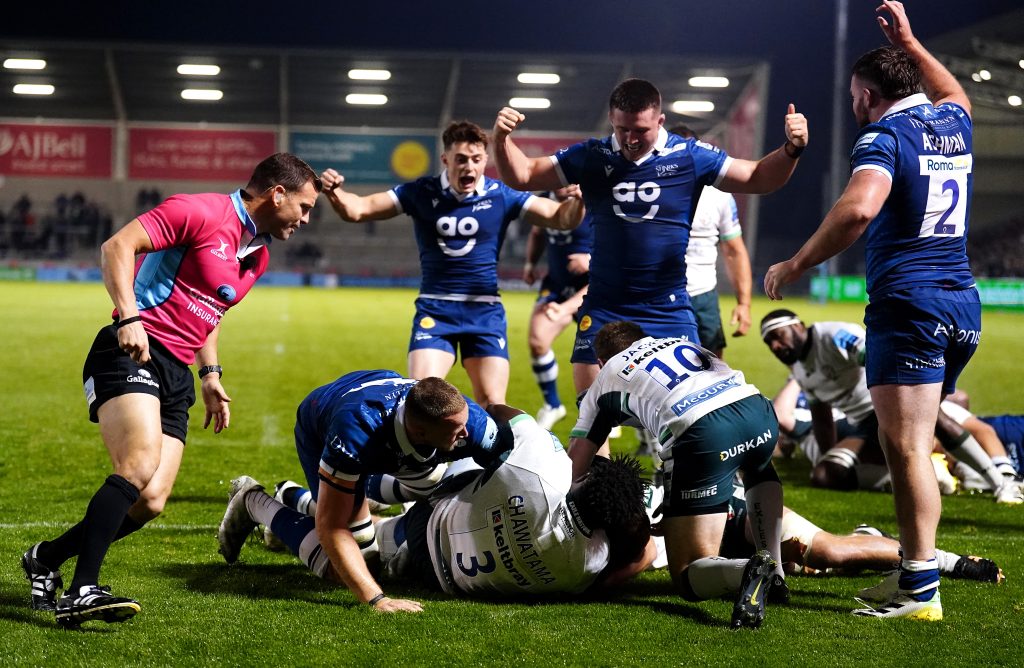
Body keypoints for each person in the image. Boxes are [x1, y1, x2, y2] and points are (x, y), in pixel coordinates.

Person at [20, 153, 322, 627]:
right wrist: (129, 316)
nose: (306, 219)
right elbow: (117, 246)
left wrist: (211, 376)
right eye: (304, 207)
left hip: (178, 372)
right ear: (277, 193)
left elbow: (209, 312)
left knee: (152, 499)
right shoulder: (200, 211)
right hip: (132, 350)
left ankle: (44, 558)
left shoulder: (257, 253)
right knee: (137, 464)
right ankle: (82, 590)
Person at [764, 2, 981, 620]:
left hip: (908, 303)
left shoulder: (884, 136)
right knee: (907, 445)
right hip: (960, 306)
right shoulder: (953, 124)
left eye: (856, 94)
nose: (854, 103)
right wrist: (911, 42)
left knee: (907, 449)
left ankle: (919, 590)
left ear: (866, 95)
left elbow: (859, 210)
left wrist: (797, 263)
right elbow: (954, 90)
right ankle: (916, 569)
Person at [492, 78, 807, 421]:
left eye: (640, 130)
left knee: (692, 413)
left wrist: (791, 149)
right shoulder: (591, 155)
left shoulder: (690, 156)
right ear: (612, 120)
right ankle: (598, 475)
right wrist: (501, 139)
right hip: (604, 305)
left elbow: (759, 177)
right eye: (621, 128)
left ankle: (669, 470)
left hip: (667, 308)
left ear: (660, 121)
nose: (629, 139)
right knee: (593, 413)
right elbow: (522, 174)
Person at [319, 121, 584, 408]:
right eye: (460, 159)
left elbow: (560, 217)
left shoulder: (502, 195)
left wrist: (579, 202)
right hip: (436, 309)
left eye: (476, 159)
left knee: (493, 402)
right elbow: (359, 209)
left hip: (484, 311)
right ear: (446, 159)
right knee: (422, 399)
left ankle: (491, 453)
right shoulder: (421, 192)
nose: (468, 167)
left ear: (485, 160)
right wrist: (335, 193)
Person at [216, 370, 506, 613]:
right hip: (323, 424)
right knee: (354, 566)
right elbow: (332, 528)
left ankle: (297, 497)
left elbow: (506, 466)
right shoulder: (354, 434)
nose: (466, 434)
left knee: (440, 483)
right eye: (456, 430)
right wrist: (377, 599)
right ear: (420, 432)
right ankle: (254, 502)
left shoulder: (469, 422)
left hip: (391, 435)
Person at [566, 321, 785, 629]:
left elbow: (577, 462)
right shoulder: (675, 342)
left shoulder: (607, 374)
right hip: (757, 408)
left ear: (600, 362)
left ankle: (748, 569)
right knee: (758, 468)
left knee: (686, 574)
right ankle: (775, 572)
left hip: (703, 433)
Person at [374, 407, 654, 597]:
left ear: (582, 481)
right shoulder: (589, 564)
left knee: (483, 450)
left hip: (430, 525)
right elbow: (647, 552)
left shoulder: (542, 469)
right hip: (451, 582)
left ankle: (378, 489)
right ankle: (386, 528)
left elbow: (502, 412)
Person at [643, 482, 1004, 587]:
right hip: (713, 539)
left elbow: (640, 557)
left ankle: (946, 561)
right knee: (808, 567)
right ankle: (867, 536)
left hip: (736, 515)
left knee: (829, 553)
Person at [670, 125, 752, 358]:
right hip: (659, 294)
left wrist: (744, 303)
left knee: (713, 365)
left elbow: (734, 250)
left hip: (702, 294)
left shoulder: (719, 196)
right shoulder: (651, 191)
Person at [522, 189, 594, 429]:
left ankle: (616, 415)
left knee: (606, 355)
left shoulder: (597, 195)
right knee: (537, 340)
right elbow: (537, 232)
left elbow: (623, 237)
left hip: (594, 284)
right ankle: (553, 405)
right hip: (557, 284)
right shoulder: (543, 199)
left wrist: (589, 259)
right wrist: (531, 262)